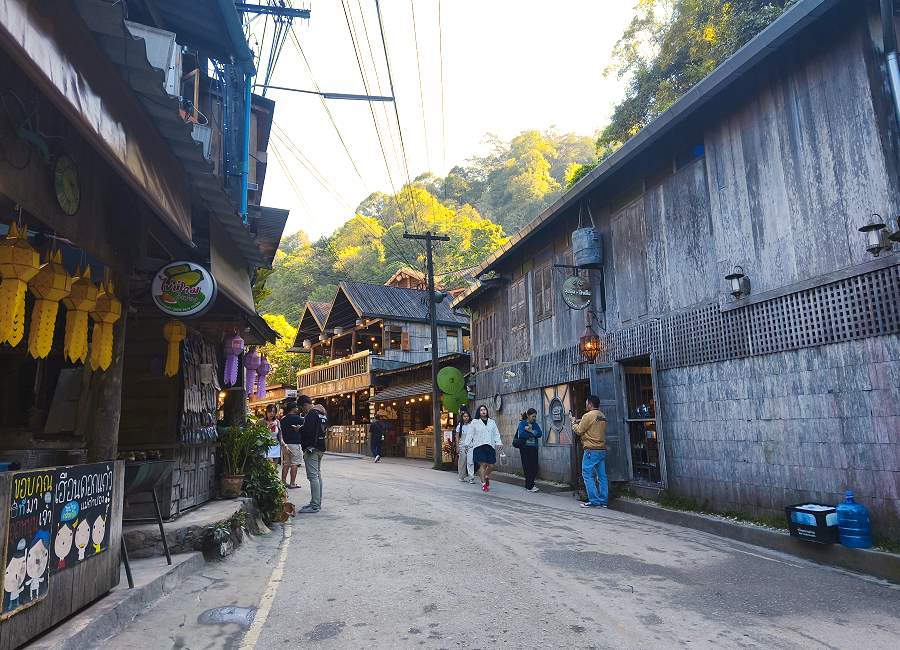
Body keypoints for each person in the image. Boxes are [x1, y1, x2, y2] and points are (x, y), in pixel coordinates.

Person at [573, 395, 608, 508]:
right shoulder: (602, 415)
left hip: (591, 450)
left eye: (586, 403)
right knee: (602, 476)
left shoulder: (587, 415)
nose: (585, 405)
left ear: (590, 404)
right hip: (601, 449)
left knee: (587, 474)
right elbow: (593, 426)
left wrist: (573, 424)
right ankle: (603, 500)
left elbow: (579, 430)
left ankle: (594, 501)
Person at [297, 395, 328, 513]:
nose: (302, 411)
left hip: (312, 448)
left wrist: (299, 429)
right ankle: (316, 502)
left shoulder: (311, 414)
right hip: (320, 447)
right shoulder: (322, 413)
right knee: (317, 475)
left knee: (313, 476)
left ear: (305, 405)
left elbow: (307, 431)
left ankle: (315, 505)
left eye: (301, 408)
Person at [470, 404, 502, 492]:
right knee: (483, 464)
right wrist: (467, 445)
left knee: (491, 465)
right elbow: (470, 434)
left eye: (484, 409)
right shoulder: (475, 422)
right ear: (479, 412)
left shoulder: (492, 422)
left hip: (490, 446)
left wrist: (499, 443)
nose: (483, 411)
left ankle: (486, 476)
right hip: (479, 446)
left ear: (487, 411)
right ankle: (483, 484)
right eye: (481, 410)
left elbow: (496, 433)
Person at [516, 408, 543, 492]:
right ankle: (530, 486)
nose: (534, 418)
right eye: (533, 416)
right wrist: (532, 434)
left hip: (533, 448)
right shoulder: (522, 423)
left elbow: (540, 433)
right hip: (524, 448)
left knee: (534, 467)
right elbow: (521, 434)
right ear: (528, 416)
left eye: (535, 416)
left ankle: (530, 484)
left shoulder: (535, 424)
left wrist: (530, 431)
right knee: (527, 467)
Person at [279, 401, 304, 490]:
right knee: (294, 463)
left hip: (285, 444)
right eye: (296, 407)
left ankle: (283, 482)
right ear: (293, 408)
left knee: (286, 463)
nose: (297, 409)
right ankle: (292, 483)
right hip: (294, 444)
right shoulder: (299, 419)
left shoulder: (283, 419)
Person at [455, 409, 475, 483]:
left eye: (467, 416)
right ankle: (461, 476)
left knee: (470, 461)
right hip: (462, 445)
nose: (466, 418)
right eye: (464, 416)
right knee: (462, 461)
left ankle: (471, 477)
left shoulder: (472, 425)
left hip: (470, 445)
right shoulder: (459, 426)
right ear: (462, 417)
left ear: (469, 417)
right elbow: (457, 437)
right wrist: (457, 447)